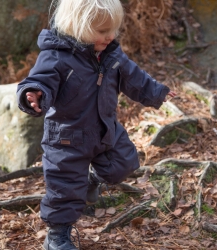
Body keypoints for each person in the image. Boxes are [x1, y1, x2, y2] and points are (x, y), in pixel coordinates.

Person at [17, 0, 176, 249]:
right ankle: (57, 237)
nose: (110, 36)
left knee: (124, 163)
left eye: (113, 29)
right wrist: (34, 93)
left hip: (104, 129)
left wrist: (157, 92)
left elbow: (135, 78)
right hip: (66, 137)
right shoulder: (56, 56)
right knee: (64, 190)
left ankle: (91, 180)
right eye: (102, 31)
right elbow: (40, 80)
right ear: (76, 26)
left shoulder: (111, 54)